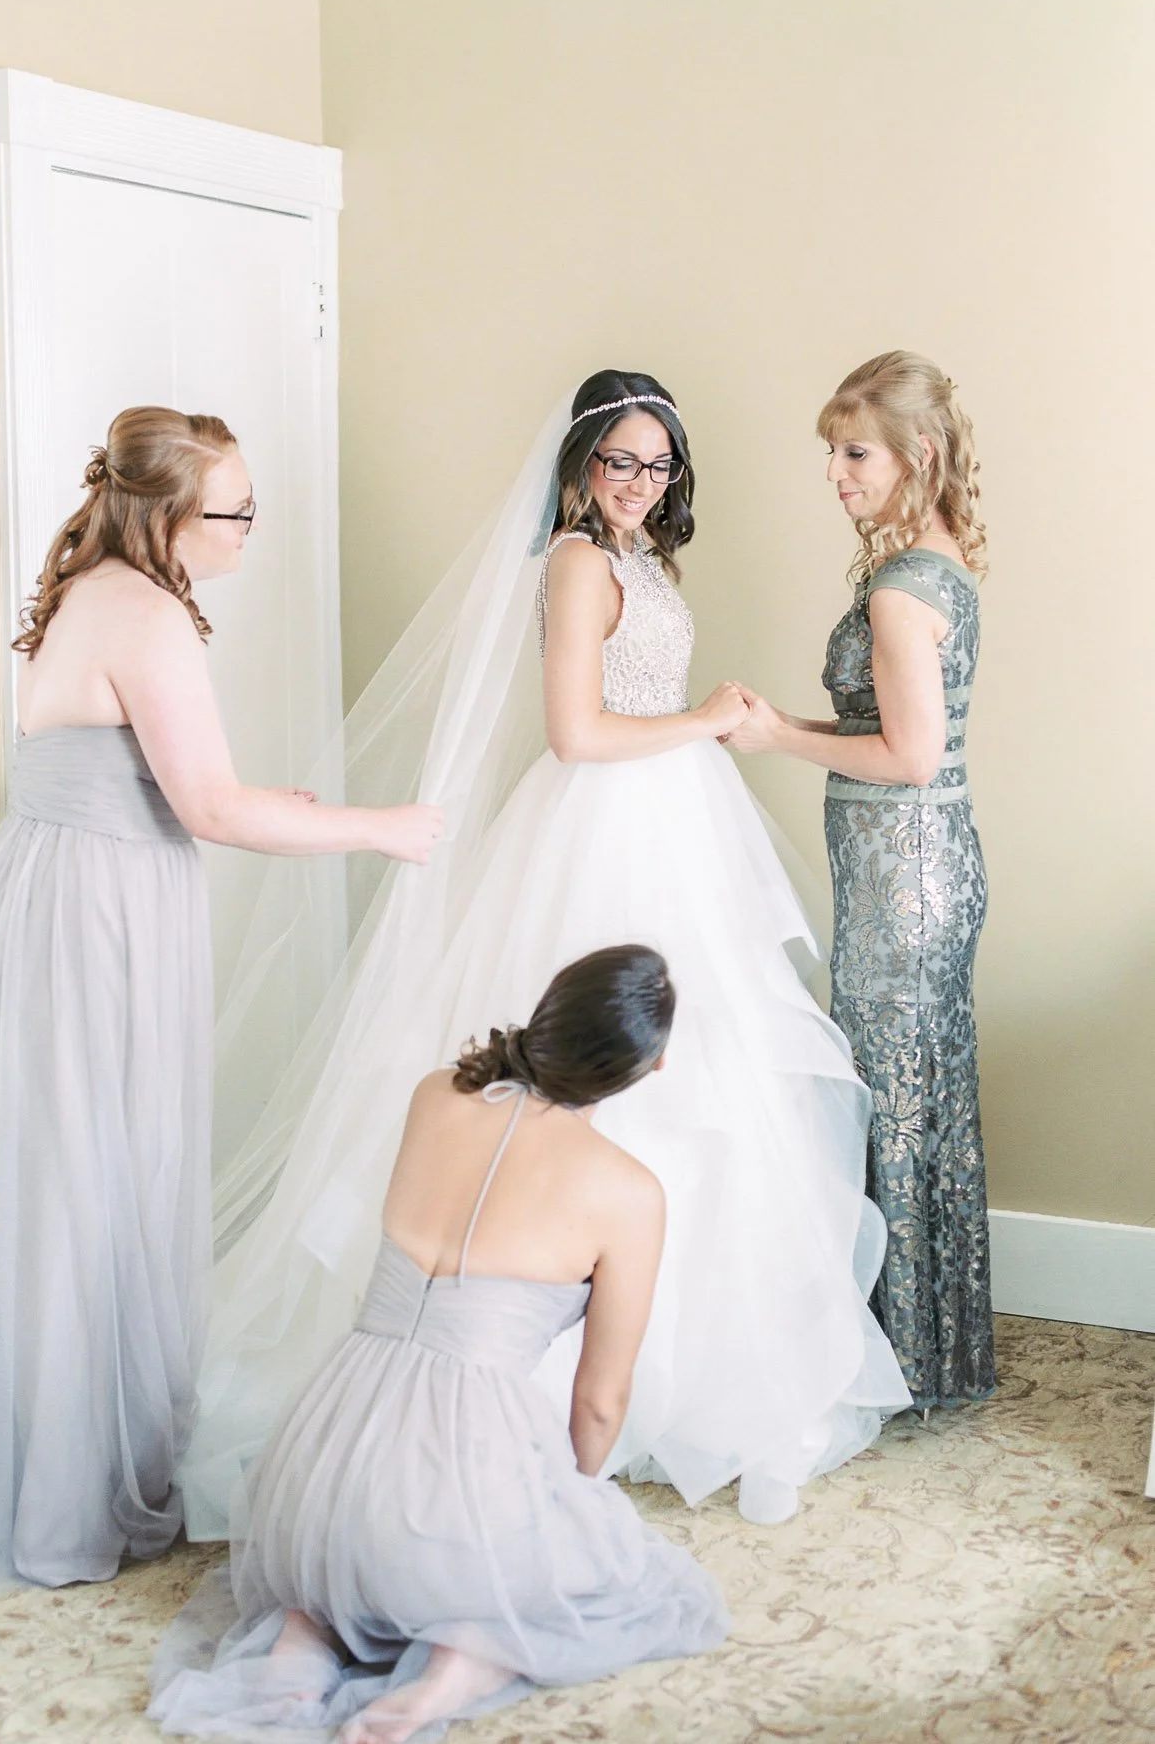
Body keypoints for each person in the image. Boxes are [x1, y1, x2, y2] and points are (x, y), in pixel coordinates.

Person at [180, 372, 910, 1539]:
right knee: (611, 1076)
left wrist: (698, 731)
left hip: (673, 819)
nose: (639, 483)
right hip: (603, 824)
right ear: (581, 465)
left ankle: (679, 1363)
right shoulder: (574, 562)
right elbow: (577, 732)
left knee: (709, 1080)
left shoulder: (644, 559)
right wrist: (706, 722)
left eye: (658, 464)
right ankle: (565, 1381)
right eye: (620, 462)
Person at [0, 405, 442, 1589]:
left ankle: (48, 1470)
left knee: (63, 1183)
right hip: (91, 917)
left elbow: (146, 778)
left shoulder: (89, 590)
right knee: (86, 1189)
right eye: (235, 512)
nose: (249, 530)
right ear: (173, 514)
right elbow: (208, 810)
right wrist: (381, 828)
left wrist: (273, 805)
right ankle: (61, 1506)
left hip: (46, 894)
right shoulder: (148, 614)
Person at [149, 945, 729, 1743]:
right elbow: (600, 1402)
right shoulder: (630, 1193)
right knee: (576, 1572)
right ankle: (451, 1669)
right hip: (446, 1480)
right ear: (649, 1066)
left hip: (317, 1464)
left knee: (331, 1579)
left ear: (551, 1012)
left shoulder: (435, 1093)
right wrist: (567, 1500)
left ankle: (301, 1643)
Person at [728, 351, 993, 1409]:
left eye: (855, 455)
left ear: (915, 454)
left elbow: (908, 756)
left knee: (892, 1103)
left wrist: (776, 736)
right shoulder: (939, 562)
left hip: (903, 882)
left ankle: (896, 1363)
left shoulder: (897, 590)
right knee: (924, 1099)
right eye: (832, 456)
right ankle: (932, 1354)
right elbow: (896, 731)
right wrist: (792, 725)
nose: (835, 476)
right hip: (931, 867)